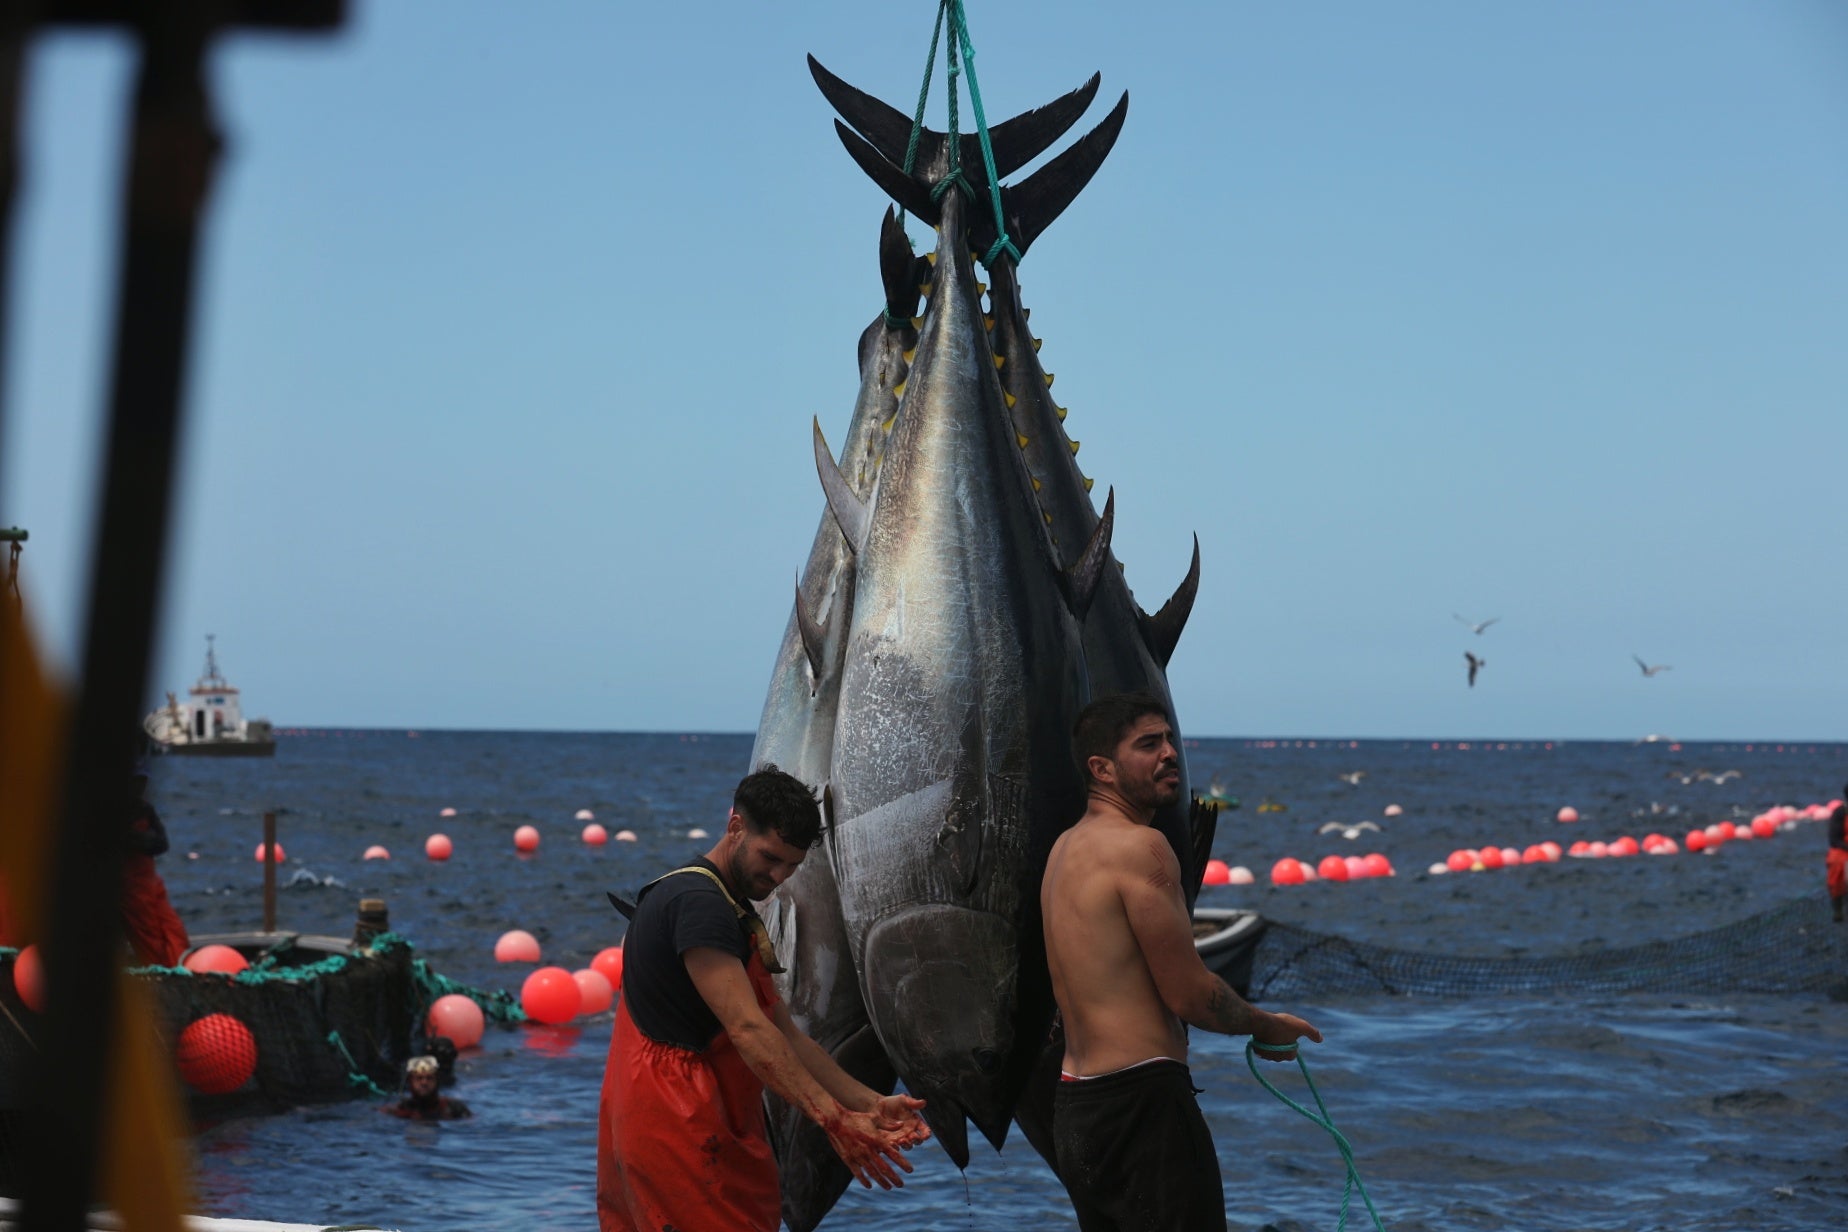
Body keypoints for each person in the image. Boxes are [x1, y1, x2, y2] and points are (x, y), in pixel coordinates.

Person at [597, 765, 929, 1232]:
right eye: (770, 857)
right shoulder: (699, 905)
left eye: (792, 865)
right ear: (735, 827)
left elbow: (784, 1033)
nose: (778, 876)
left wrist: (867, 1104)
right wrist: (835, 1123)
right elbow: (748, 1029)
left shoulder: (718, 903)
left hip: (698, 1122)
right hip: (675, 1127)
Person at [1041, 693, 1324, 1232]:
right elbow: (1191, 995)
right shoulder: (1140, 847)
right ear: (1101, 768)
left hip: (1079, 1109)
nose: (1170, 753)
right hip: (1141, 1106)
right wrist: (1268, 1026)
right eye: (1148, 744)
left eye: (1169, 739)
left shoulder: (1066, 849)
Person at [120, 761, 188, 967]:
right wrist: (142, 840)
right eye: (136, 781)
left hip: (152, 883)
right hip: (130, 889)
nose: (140, 786)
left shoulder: (145, 809)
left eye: (143, 781)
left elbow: (161, 843)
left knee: (174, 930)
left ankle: (180, 968)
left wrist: (140, 840)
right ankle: (159, 978)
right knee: (149, 940)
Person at [384, 1055, 471, 1120]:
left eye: (429, 1078)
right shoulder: (398, 1110)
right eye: (419, 1078)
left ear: (437, 1082)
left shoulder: (455, 1109)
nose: (424, 1082)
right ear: (410, 1082)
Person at [1828, 785, 1847, 924]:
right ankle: (1838, 908)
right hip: (1844, 851)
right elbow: (1834, 840)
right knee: (1838, 863)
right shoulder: (1840, 813)